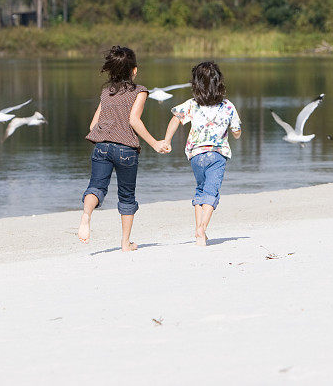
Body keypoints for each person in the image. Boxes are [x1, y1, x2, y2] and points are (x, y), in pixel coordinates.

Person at [78, 46, 168, 250]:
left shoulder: (106, 92)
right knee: (126, 195)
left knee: (96, 187)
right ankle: (125, 243)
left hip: (101, 147)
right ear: (134, 70)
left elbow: (93, 126)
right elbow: (134, 120)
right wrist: (154, 143)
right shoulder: (140, 91)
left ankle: (86, 215)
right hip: (126, 150)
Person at [163, 61, 241, 246]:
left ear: (196, 85)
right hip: (217, 154)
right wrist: (235, 133)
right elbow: (237, 131)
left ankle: (200, 235)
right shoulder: (228, 106)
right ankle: (202, 227)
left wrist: (167, 140)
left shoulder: (192, 104)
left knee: (201, 189)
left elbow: (176, 119)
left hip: (196, 155)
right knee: (211, 193)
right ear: (219, 83)